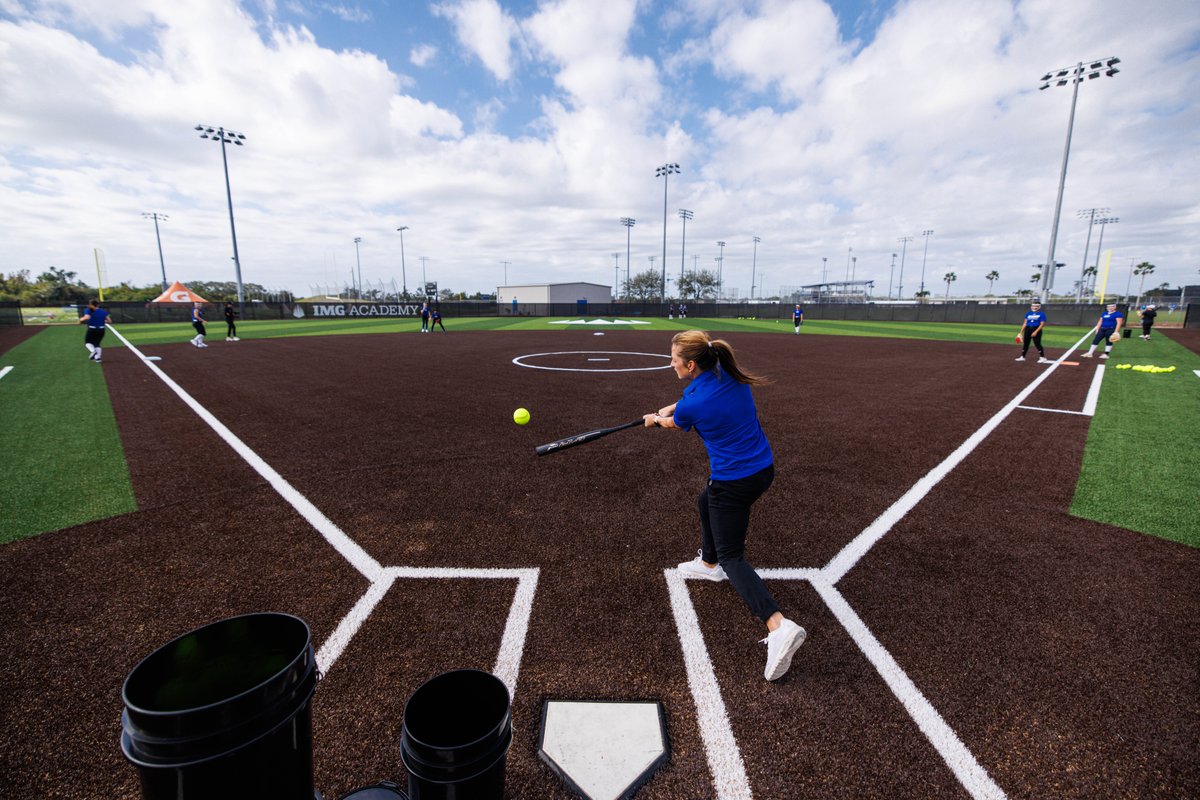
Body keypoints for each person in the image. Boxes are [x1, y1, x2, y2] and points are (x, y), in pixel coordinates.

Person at [645, 330, 806, 681]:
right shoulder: (726, 374)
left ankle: (777, 624)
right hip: (762, 470)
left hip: (733, 482)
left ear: (690, 365)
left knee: (734, 556)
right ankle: (707, 561)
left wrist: (657, 420)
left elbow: (677, 422)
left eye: (674, 359)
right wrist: (675, 406)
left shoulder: (693, 404)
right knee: (706, 500)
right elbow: (689, 405)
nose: (670, 363)